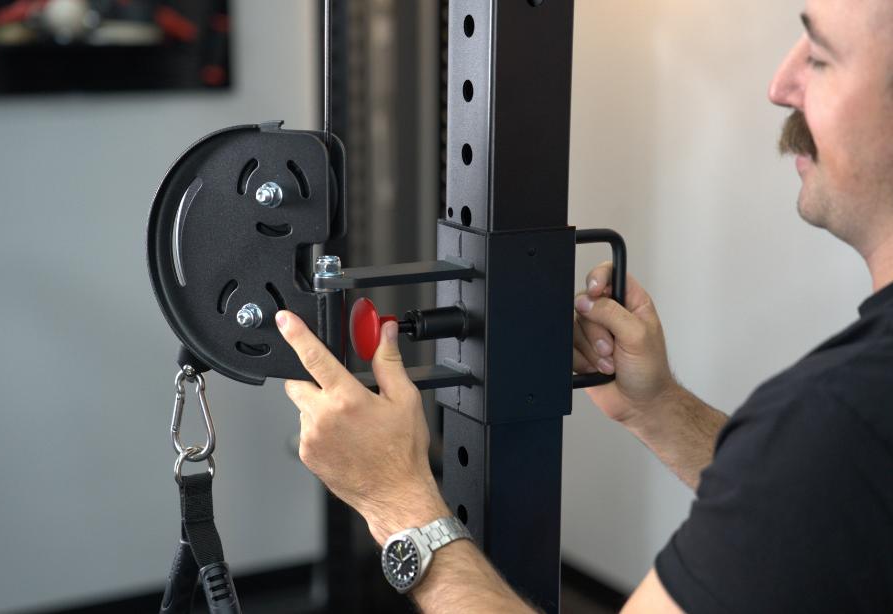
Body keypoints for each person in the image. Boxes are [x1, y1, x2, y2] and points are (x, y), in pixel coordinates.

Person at [277, 0, 893, 610]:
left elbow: (814, 468)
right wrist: (657, 407)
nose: (780, 87)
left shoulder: (840, 416)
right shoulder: (845, 429)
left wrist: (398, 502)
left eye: (820, 57)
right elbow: (815, 505)